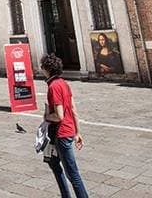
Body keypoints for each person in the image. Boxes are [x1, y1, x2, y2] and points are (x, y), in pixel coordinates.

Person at [41, 53, 88, 198]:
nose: (41, 69)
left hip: (61, 134)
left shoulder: (54, 87)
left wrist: (46, 116)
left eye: (42, 67)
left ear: (47, 69)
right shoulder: (64, 83)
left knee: (72, 174)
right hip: (67, 132)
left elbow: (59, 115)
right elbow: (74, 110)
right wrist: (77, 132)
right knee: (53, 162)